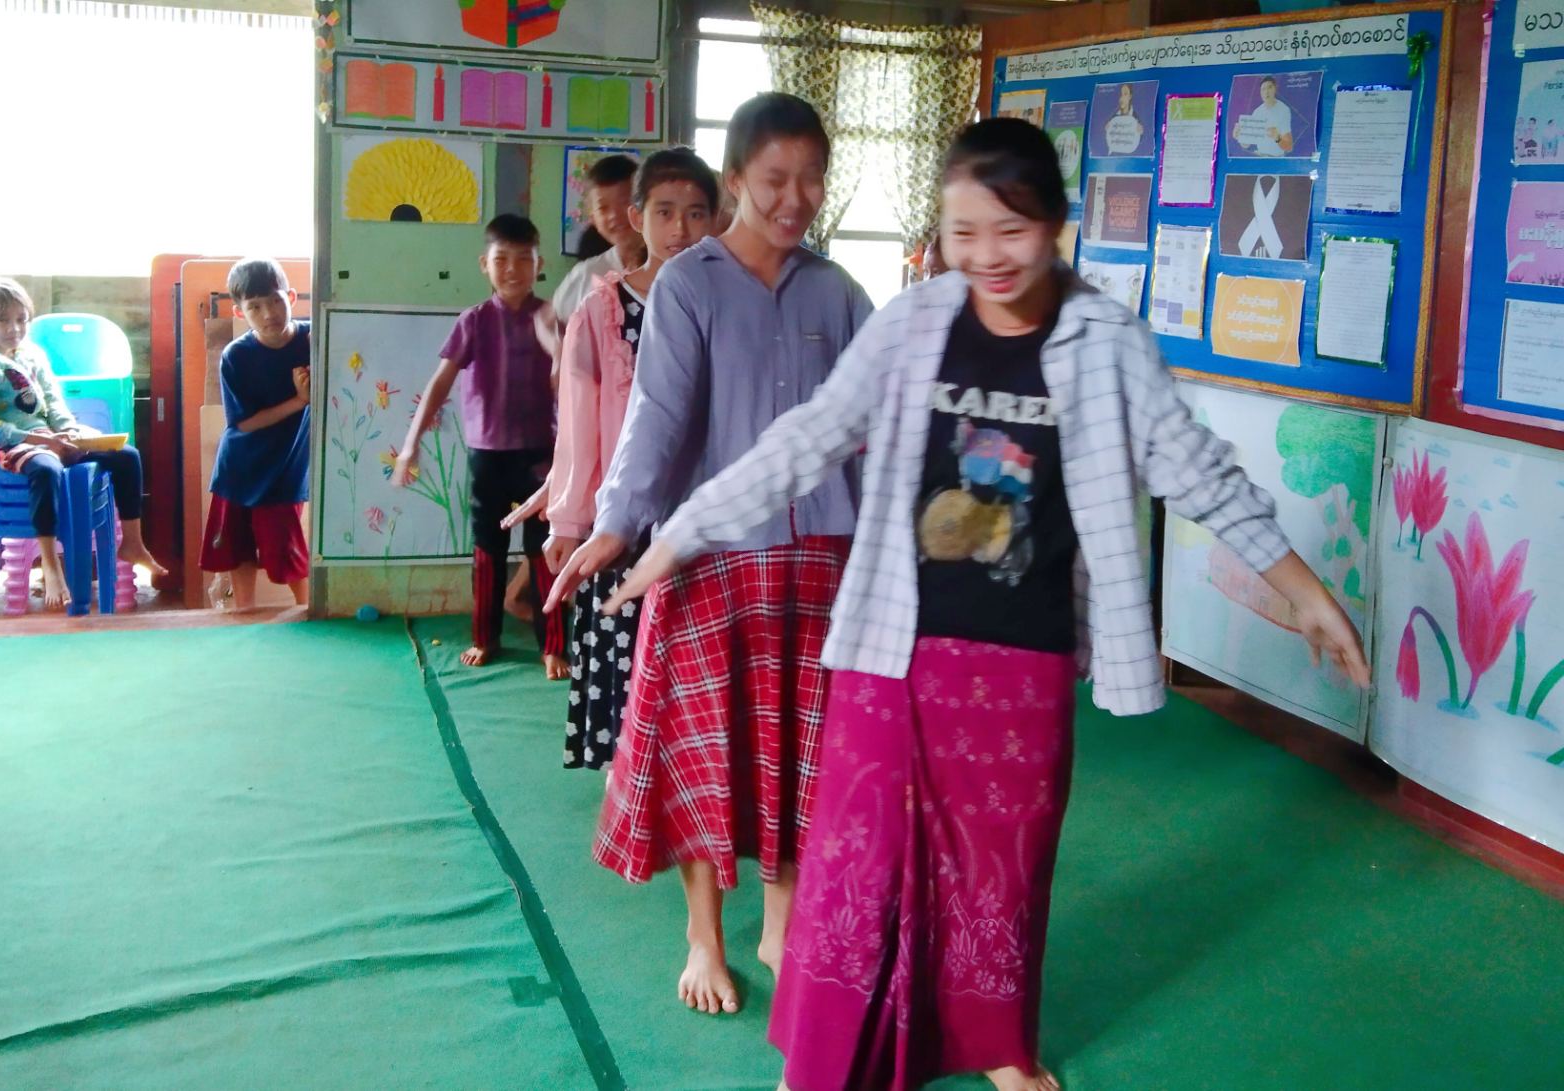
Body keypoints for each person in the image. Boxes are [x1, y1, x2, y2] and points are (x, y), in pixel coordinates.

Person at [597, 118, 1371, 1091]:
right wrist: (680, 531)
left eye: (1010, 230)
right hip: (896, 649)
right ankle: (824, 1061)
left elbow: (1196, 469)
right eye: (963, 233)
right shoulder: (913, 322)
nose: (987, 257)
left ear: (1055, 222)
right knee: (857, 862)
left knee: (1000, 866)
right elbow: (809, 436)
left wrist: (1303, 590)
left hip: (1022, 657)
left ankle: (995, 1040)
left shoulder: (1106, 340)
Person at [547, 93, 873, 1016]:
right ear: (736, 181)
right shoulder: (689, 284)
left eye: (812, 179)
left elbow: (877, 422)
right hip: (711, 557)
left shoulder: (839, 291)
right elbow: (657, 416)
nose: (795, 198)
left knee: (804, 749)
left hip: (822, 558)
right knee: (707, 750)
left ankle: (781, 923)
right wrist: (615, 522)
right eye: (775, 179)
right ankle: (705, 935)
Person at [546, 148, 718, 771]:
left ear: (717, 219)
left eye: (696, 213)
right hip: (627, 521)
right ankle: (632, 782)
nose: (681, 229)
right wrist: (570, 521)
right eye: (665, 212)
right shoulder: (603, 308)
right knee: (629, 658)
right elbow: (579, 425)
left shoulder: (729, 301)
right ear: (637, 217)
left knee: (699, 668)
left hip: (707, 521)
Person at [393, 215, 567, 677]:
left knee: (545, 553)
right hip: (487, 457)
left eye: (523, 260)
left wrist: (556, 346)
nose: (512, 269)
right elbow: (439, 383)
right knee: (487, 552)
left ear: (539, 265)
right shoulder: (473, 321)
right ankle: (484, 638)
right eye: (501, 259)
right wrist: (411, 443)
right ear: (484, 264)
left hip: (543, 458)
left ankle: (553, 645)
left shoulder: (552, 318)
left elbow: (572, 382)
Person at [0, 277, 166, 608]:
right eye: (3, 320)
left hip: (49, 436)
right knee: (47, 469)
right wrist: (40, 439)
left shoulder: (31, 354)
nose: (14, 328)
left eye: (21, 319)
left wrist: (70, 432)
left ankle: (132, 542)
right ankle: (49, 562)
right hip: (12, 446)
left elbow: (54, 404)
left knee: (126, 456)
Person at [200, 259, 311, 607]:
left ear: (291, 297)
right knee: (238, 549)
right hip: (239, 469)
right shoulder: (236, 356)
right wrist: (300, 401)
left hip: (285, 471)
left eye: (276, 301)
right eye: (255, 307)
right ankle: (243, 613)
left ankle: (310, 614)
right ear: (239, 312)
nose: (269, 313)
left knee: (288, 554)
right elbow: (243, 424)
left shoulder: (315, 339)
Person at [552, 155, 647, 328]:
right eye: (603, 208)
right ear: (592, 217)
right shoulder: (585, 275)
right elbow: (554, 324)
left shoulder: (671, 268)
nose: (614, 215)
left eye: (625, 202)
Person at [1235, 75, 1294, 157]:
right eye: (1263, 89)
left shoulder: (1284, 110)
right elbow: (1246, 145)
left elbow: (1289, 147)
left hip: (1276, 158)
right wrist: (1239, 136)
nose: (1266, 92)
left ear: (1275, 89)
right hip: (1260, 157)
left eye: (1269, 87)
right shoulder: (1257, 112)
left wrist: (1277, 138)